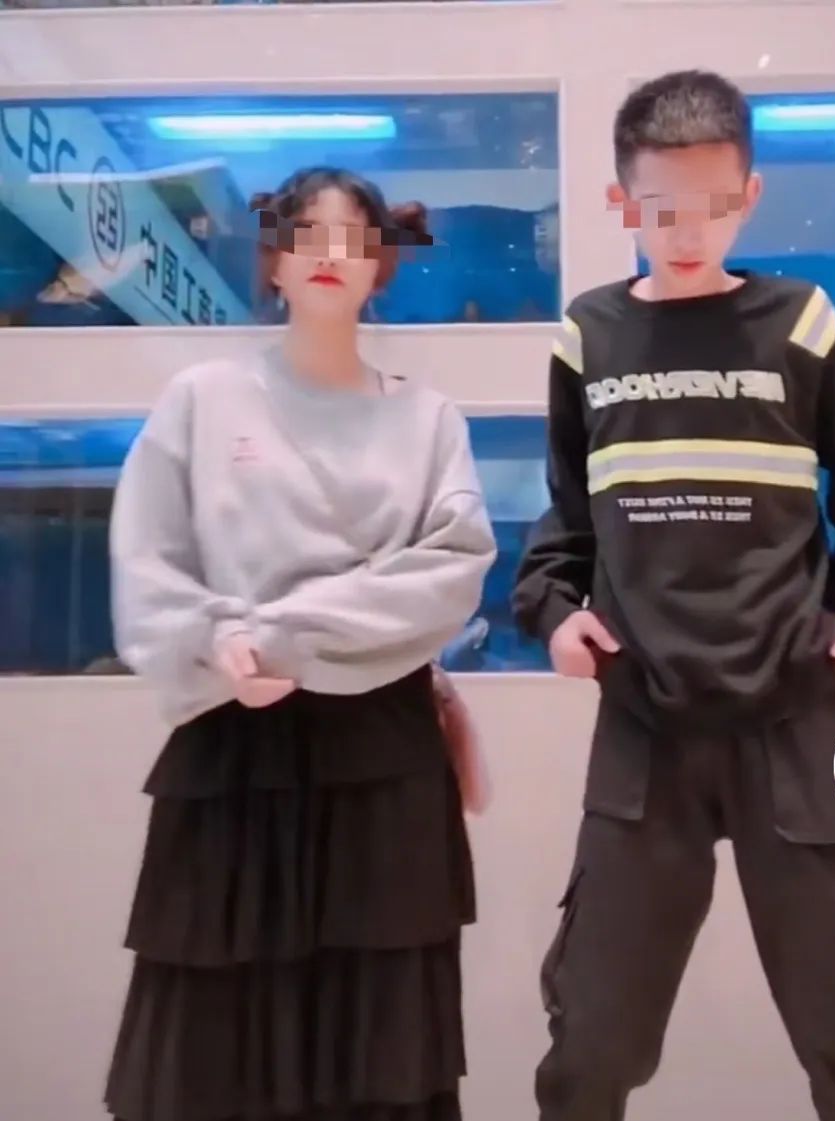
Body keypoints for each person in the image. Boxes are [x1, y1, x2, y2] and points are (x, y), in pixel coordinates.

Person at [511, 71, 835, 1121]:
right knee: (589, 1042)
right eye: (658, 206)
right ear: (620, 202)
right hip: (644, 724)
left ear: (749, 195)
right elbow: (564, 520)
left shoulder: (800, 324)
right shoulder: (589, 335)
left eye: (709, 204)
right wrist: (556, 612)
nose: (684, 229)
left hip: (795, 717)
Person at [104, 166, 497, 1121]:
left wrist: (279, 633)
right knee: (216, 1044)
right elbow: (149, 560)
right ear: (275, 261)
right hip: (236, 745)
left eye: (353, 237)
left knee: (379, 1044)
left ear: (380, 266)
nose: (329, 255)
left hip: (386, 751)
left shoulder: (427, 418)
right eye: (308, 235)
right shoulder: (201, 399)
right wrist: (218, 641)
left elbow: (451, 571)